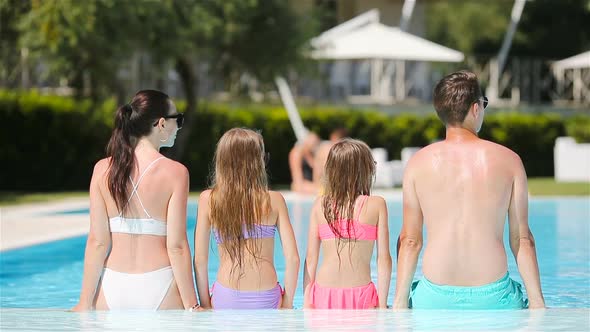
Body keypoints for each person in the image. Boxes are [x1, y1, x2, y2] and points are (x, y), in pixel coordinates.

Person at [393, 71, 545, 310]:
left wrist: (400, 304)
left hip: (434, 298)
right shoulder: (509, 161)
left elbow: (410, 241)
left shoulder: (417, 163)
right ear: (475, 109)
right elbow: (522, 240)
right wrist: (538, 303)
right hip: (494, 298)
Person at [72, 90, 198, 311]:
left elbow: (97, 242)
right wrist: (192, 304)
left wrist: (84, 303)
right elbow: (176, 246)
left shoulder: (103, 169)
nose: (178, 126)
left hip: (113, 287)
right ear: (161, 124)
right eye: (177, 119)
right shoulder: (176, 173)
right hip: (160, 284)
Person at [194, 128, 300, 309]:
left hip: (226, 295)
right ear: (256, 162)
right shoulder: (274, 200)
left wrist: (205, 304)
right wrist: (288, 304)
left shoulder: (209, 200)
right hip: (266, 296)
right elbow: (293, 259)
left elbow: (200, 260)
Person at [304, 138, 391, 309]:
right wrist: (382, 304)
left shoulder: (320, 205)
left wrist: (307, 302)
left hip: (323, 294)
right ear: (365, 170)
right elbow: (384, 260)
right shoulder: (376, 205)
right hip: (360, 295)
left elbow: (311, 260)